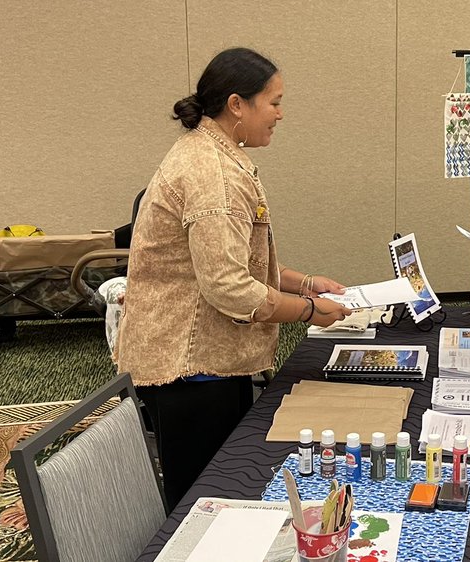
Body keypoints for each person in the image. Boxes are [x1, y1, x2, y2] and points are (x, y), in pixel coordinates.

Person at [115, 48, 352, 508]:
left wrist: (304, 283)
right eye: (274, 102)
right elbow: (229, 286)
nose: (281, 114)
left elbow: (234, 264)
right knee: (205, 501)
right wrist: (308, 311)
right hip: (190, 367)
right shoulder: (213, 174)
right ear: (237, 105)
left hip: (203, 360)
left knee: (221, 489)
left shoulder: (215, 153)